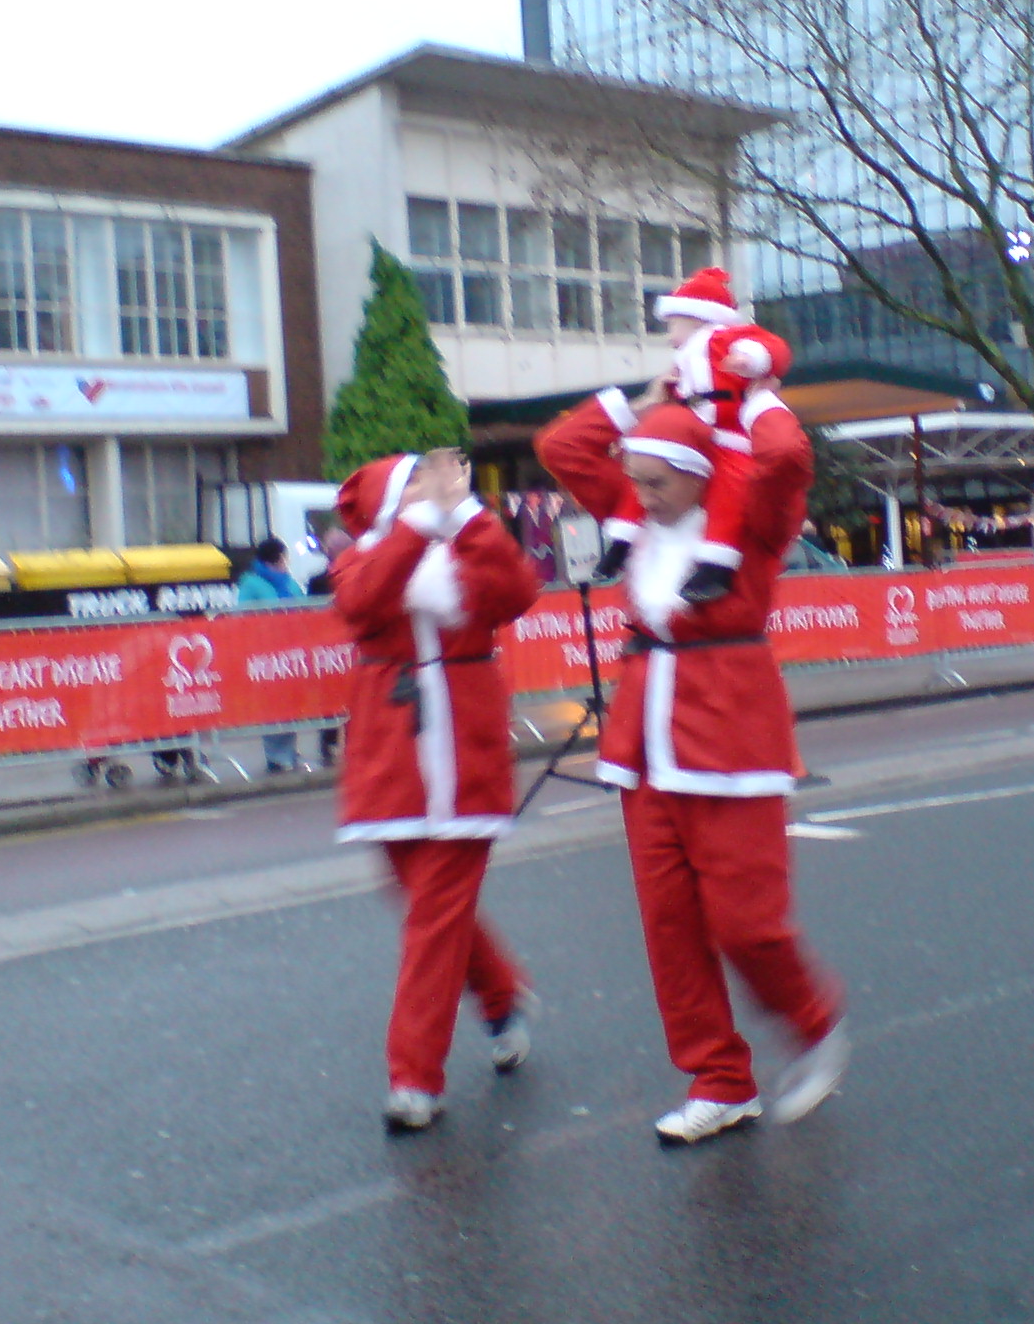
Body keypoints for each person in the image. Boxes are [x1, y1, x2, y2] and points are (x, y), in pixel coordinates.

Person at [537, 375, 847, 1146]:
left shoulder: (752, 524)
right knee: (670, 930)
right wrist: (639, 402)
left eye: (656, 482)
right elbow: (560, 447)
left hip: (731, 738)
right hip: (644, 748)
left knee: (747, 925)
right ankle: (720, 1080)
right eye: (633, 480)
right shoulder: (639, 513)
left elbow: (783, 457)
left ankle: (813, 1024)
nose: (638, 496)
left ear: (703, 472)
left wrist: (751, 389)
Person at [331, 445, 542, 1133]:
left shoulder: (467, 546)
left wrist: (472, 515)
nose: (440, 483)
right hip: (389, 752)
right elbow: (362, 604)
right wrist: (419, 527)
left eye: (441, 474)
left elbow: (516, 593)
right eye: (420, 477)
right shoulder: (364, 554)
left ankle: (414, 1076)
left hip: (465, 749)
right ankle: (502, 993)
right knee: (425, 902)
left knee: (433, 919)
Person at [590, 268, 794, 604]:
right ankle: (622, 541)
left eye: (673, 324)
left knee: (730, 489)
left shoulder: (725, 339)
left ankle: (716, 564)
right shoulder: (684, 359)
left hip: (727, 434)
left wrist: (752, 359)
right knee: (645, 470)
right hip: (690, 429)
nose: (670, 335)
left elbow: (775, 348)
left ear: (695, 316)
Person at [237, 537, 305, 773]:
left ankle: (289, 750)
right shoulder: (252, 584)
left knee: (291, 704)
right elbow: (243, 615)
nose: (287, 562)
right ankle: (276, 755)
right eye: (285, 557)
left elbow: (305, 605)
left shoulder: (288, 582)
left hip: (291, 652)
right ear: (276, 559)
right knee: (274, 704)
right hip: (267, 653)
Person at [306, 527, 356, 766]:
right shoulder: (318, 581)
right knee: (330, 697)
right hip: (328, 648)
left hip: (352, 646)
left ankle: (348, 742)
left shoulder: (358, 572)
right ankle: (329, 742)